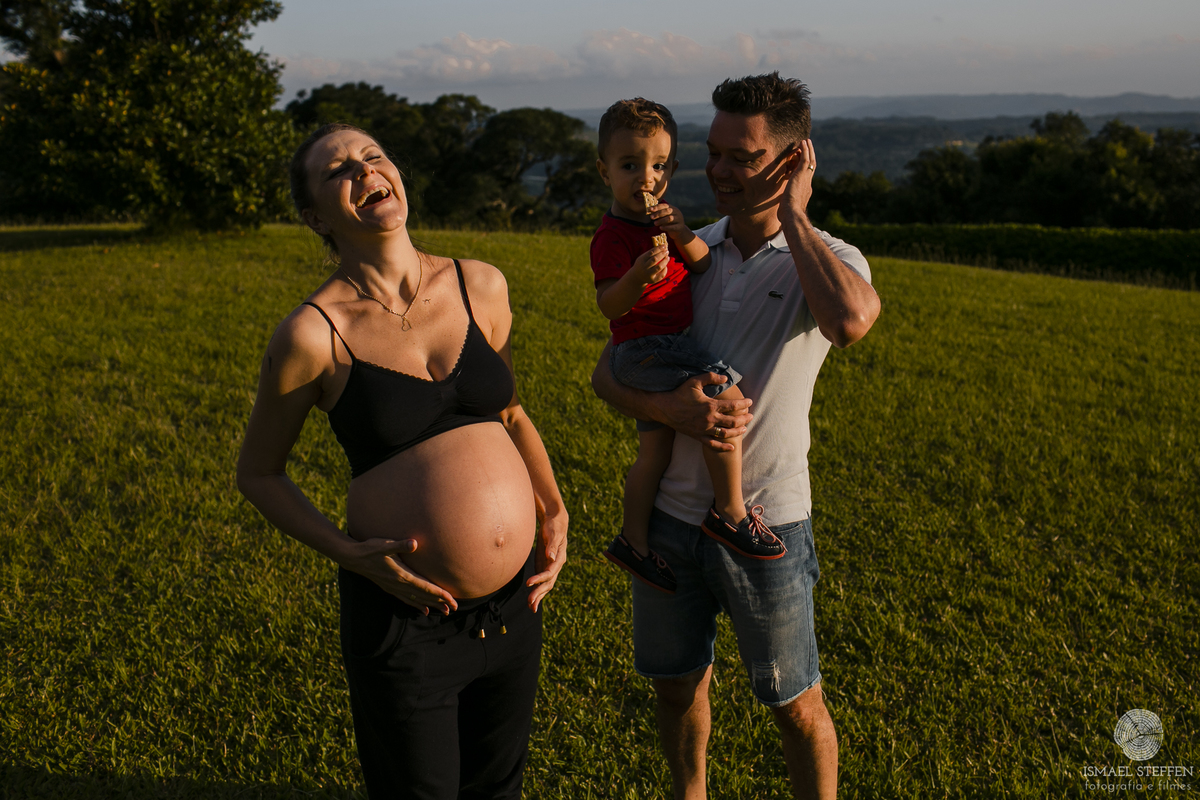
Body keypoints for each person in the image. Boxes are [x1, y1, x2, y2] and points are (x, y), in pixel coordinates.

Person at [236, 122, 568, 800]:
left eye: (373, 156)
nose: (363, 171)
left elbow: (509, 412)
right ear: (313, 217)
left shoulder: (482, 285)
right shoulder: (312, 334)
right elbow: (260, 473)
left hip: (514, 608)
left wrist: (552, 505)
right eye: (338, 171)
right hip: (406, 623)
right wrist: (346, 552)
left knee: (497, 789)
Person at [591, 73, 881, 799]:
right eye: (714, 152)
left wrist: (797, 217)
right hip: (668, 522)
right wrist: (671, 413)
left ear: (789, 162)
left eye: (741, 158)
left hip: (767, 522)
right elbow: (607, 374)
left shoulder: (831, 259)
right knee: (674, 687)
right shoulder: (693, 250)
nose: (717, 171)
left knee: (795, 703)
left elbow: (847, 324)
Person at [591, 98, 786, 596]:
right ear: (604, 171)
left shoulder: (662, 223)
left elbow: (700, 263)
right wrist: (636, 278)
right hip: (646, 348)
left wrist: (680, 231)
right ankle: (730, 512)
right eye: (630, 166)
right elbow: (609, 307)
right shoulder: (612, 236)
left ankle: (632, 542)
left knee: (651, 456)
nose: (646, 179)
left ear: (672, 170)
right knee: (725, 398)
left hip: (659, 348)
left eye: (658, 166)